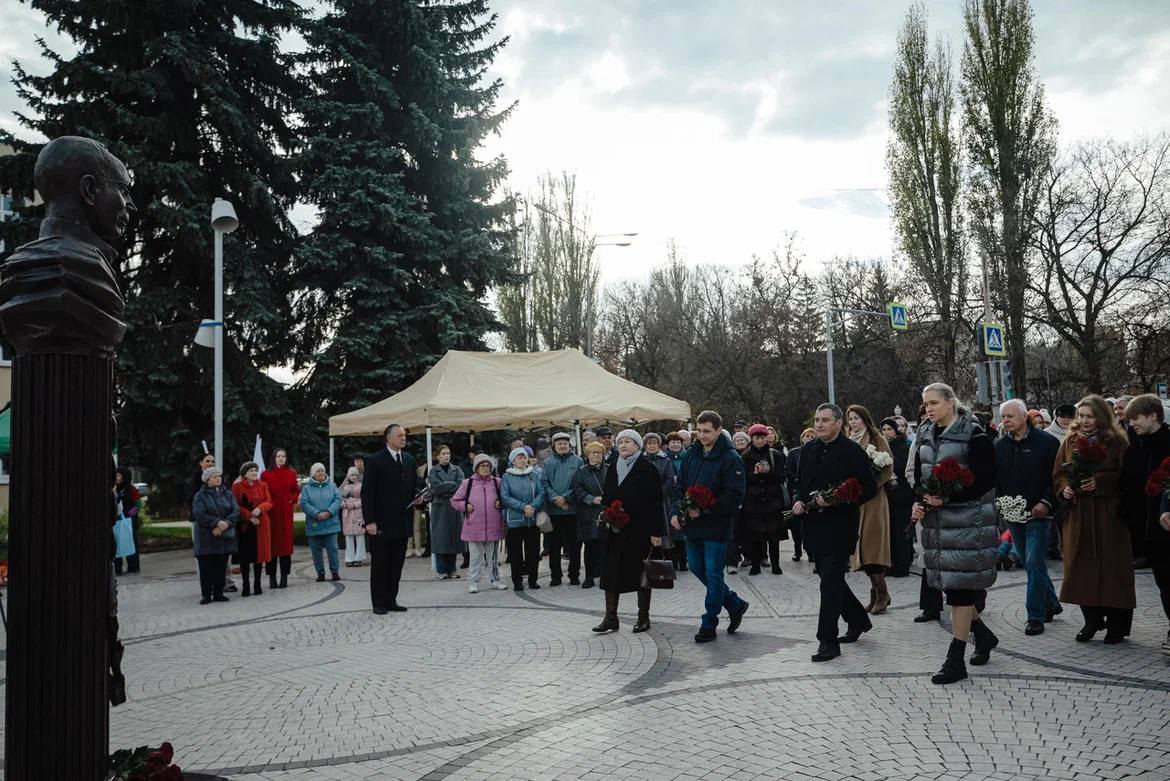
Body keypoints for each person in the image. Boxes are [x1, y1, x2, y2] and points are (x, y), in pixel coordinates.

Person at [911, 383, 999, 684]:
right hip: (938, 525)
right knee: (952, 588)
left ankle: (955, 659)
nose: (929, 409)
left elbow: (987, 478)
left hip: (968, 524)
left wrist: (949, 497)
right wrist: (921, 502)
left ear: (951, 402)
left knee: (960, 593)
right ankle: (983, 636)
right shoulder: (925, 433)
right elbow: (919, 477)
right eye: (926, 404)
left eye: (934, 402)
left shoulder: (973, 433)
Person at [792, 404, 878, 662]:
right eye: (817, 420)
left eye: (825, 420)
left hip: (840, 527)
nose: (819, 424)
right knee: (828, 578)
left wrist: (837, 500)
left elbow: (869, 489)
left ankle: (827, 641)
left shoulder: (853, 451)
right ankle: (858, 619)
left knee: (830, 582)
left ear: (839, 423)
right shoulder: (807, 450)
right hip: (813, 526)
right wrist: (796, 500)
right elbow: (798, 483)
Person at [1056, 395, 1135, 643]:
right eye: (1082, 416)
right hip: (1079, 515)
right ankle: (1092, 620)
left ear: (1101, 416)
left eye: (1090, 416)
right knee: (1080, 568)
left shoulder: (1117, 442)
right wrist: (1065, 489)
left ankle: (1117, 625)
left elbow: (1128, 476)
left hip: (1108, 515)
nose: (1085, 421)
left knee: (1114, 570)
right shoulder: (1070, 441)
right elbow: (1059, 473)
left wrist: (1100, 482)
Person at [671, 410, 749, 644]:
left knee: (714, 574)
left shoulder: (730, 458)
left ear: (718, 430)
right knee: (696, 567)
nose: (702, 435)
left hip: (716, 525)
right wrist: (676, 511)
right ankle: (735, 604)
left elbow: (735, 496)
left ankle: (709, 622)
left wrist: (706, 507)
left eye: (707, 431)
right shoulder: (691, 454)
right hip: (692, 525)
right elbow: (680, 487)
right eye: (699, 431)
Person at [994, 399, 1062, 635]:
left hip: (1039, 513)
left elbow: (1056, 478)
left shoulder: (1047, 443)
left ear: (1024, 416)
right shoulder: (1000, 445)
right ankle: (1051, 603)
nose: (1006, 421)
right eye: (1003, 417)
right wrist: (1000, 504)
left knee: (1034, 561)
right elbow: (997, 480)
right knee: (1031, 562)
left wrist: (1046, 502)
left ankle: (1035, 615)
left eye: (1010, 416)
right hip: (1012, 514)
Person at [592, 430, 666, 634]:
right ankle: (610, 617)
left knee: (641, 574)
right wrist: (608, 513)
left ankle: (643, 617)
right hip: (615, 530)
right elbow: (607, 496)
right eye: (620, 442)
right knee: (610, 573)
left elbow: (655, 503)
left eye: (628, 442)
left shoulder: (647, 468)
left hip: (640, 531)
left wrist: (656, 532)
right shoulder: (613, 467)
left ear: (637, 445)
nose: (623, 445)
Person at [1123, 395, 1170, 652]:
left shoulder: (1168, 443)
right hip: (1147, 530)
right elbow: (1129, 486)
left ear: (1153, 415)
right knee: (1164, 583)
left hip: (1166, 525)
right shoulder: (1135, 447)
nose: (1131, 424)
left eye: (1135, 418)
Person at [362, 424, 420, 613]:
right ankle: (378, 603)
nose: (403, 438)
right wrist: (370, 520)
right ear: (388, 438)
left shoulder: (410, 460)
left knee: (396, 564)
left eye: (405, 435)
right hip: (381, 523)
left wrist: (419, 496)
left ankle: (391, 600)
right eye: (399, 435)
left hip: (402, 522)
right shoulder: (375, 460)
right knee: (380, 564)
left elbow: (414, 487)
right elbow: (367, 492)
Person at [846, 405, 893, 614]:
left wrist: (871, 485)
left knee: (872, 547)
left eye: (856, 418)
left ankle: (882, 593)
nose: (853, 422)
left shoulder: (877, 439)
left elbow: (888, 467)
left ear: (865, 419)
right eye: (850, 418)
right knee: (862, 550)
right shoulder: (848, 440)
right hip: (855, 500)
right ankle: (875, 592)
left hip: (873, 499)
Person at [450, 454, 508, 593]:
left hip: (493, 526)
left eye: (487, 466)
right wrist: (465, 506)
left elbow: (507, 497)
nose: (485, 468)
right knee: (475, 557)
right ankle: (473, 582)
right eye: (482, 465)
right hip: (473, 527)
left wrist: (502, 502)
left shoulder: (497, 482)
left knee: (492, 558)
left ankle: (495, 580)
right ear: (476, 468)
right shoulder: (467, 483)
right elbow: (454, 501)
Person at [741, 423, 786, 576]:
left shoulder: (776, 455)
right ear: (751, 439)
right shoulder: (745, 456)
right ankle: (755, 564)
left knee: (773, 536)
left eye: (762, 437)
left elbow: (781, 477)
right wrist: (754, 473)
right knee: (754, 536)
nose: (759, 441)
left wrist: (769, 472)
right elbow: (743, 480)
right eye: (756, 437)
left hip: (772, 501)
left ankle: (775, 564)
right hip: (753, 501)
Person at [188, 452, 235, 592]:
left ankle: (224, 583)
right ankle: (208, 588)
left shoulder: (221, 483)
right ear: (201, 463)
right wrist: (214, 522)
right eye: (207, 461)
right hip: (203, 526)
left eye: (212, 461)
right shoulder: (195, 482)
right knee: (205, 558)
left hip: (222, 525)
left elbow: (230, 506)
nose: (210, 463)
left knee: (222, 556)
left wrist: (223, 524)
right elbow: (196, 509)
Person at [542, 432, 584, 586]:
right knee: (554, 546)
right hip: (554, 511)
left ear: (569, 445)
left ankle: (574, 575)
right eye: (559, 443)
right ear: (554, 446)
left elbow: (579, 483)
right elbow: (544, 484)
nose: (562, 446)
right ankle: (556, 576)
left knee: (574, 545)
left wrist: (566, 498)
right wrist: (556, 499)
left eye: (565, 443)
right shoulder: (547, 463)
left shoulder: (578, 461)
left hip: (572, 510)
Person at [501, 447, 546, 591]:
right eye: (518, 457)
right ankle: (517, 581)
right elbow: (505, 497)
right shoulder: (507, 477)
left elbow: (541, 492)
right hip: (515, 521)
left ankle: (533, 580)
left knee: (533, 552)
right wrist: (523, 507)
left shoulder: (533, 474)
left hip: (532, 520)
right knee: (516, 554)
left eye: (523, 457)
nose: (522, 460)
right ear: (512, 460)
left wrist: (532, 506)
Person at [231, 461, 273, 597]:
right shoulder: (237, 487)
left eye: (255, 470)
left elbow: (269, 502)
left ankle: (257, 583)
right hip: (245, 526)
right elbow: (235, 506)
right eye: (251, 471)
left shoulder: (263, 485)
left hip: (260, 523)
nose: (254, 473)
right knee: (245, 557)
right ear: (244, 474)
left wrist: (259, 509)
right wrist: (249, 516)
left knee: (258, 557)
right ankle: (246, 585)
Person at [572, 441, 609, 589]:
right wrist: (590, 499)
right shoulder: (581, 471)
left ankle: (605, 575)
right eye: (592, 452)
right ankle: (589, 576)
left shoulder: (609, 469)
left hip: (607, 511)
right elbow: (576, 489)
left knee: (606, 546)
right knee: (590, 547)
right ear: (587, 455)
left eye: (598, 452)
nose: (595, 455)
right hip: (588, 513)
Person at [880, 417, 915, 577]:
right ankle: (891, 563)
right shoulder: (881, 446)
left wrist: (890, 462)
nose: (887, 432)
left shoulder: (904, 446)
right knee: (890, 531)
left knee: (902, 531)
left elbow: (906, 468)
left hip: (902, 495)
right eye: (884, 429)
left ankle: (903, 564)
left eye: (889, 429)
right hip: (887, 496)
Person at [261, 448, 298, 589]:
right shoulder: (266, 474)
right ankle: (271, 578)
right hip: (272, 513)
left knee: (286, 548)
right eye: (278, 456)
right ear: (273, 458)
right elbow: (263, 492)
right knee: (272, 547)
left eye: (283, 456)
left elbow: (295, 490)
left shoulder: (291, 473)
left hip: (286, 513)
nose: (281, 459)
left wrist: (291, 500)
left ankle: (284, 577)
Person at [427, 445, 465, 579]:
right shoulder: (433, 471)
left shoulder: (457, 469)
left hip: (454, 506)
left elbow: (461, 486)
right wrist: (451, 486)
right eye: (443, 454)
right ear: (437, 456)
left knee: (453, 537)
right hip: (440, 507)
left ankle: (452, 569)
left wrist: (446, 487)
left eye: (448, 453)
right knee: (440, 538)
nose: (446, 456)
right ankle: (441, 569)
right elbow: (436, 488)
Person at [300, 463, 342, 582]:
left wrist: (329, 512)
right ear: (313, 474)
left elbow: (338, 499)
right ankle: (320, 573)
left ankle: (335, 572)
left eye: (322, 471)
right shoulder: (307, 488)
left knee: (333, 549)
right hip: (314, 524)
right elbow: (304, 503)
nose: (321, 473)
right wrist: (316, 514)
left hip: (331, 523)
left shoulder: (332, 485)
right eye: (318, 471)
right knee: (316, 551)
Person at [642, 432, 677, 557]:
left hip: (662, 501)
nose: (652, 446)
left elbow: (669, 479)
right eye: (649, 443)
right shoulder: (640, 460)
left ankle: (665, 560)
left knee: (663, 528)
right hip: (644, 501)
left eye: (654, 443)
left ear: (659, 445)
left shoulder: (666, 461)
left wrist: (659, 493)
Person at [785, 428, 816, 563]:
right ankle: (797, 551)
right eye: (806, 436)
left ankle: (811, 552)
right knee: (796, 525)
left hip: (813, 493)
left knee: (810, 525)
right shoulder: (794, 452)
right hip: (797, 492)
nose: (809, 438)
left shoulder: (818, 452)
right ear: (802, 438)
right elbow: (789, 471)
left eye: (812, 436)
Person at [112, 467, 141, 576]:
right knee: (117, 544)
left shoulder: (131, 490)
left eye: (119, 475)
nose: (117, 478)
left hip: (130, 521)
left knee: (131, 543)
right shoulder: (115, 490)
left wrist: (129, 514)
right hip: (117, 521)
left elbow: (138, 505)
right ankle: (117, 568)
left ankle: (133, 566)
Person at [340, 467, 366, 566]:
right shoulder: (344, 487)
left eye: (355, 475)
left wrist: (354, 504)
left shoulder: (361, 486)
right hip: (348, 514)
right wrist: (344, 505)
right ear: (348, 476)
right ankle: (349, 558)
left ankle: (359, 557)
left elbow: (364, 499)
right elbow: (339, 498)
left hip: (358, 513)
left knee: (360, 536)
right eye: (352, 475)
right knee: (349, 537)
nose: (354, 477)